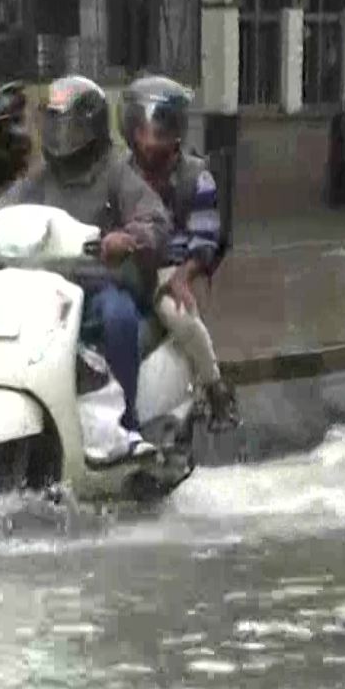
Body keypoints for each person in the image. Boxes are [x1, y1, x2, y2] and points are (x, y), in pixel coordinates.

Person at [0, 75, 171, 458]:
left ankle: (128, 426)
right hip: (48, 292)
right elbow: (3, 212)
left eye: (70, 125)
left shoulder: (116, 172)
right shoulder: (42, 178)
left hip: (100, 288)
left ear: (91, 126)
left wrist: (129, 238)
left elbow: (154, 219)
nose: (61, 135)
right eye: (54, 124)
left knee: (117, 316)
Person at [118, 75, 239, 430]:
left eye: (157, 131)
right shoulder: (120, 174)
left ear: (175, 132)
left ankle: (216, 387)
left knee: (179, 314)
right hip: (125, 266)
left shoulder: (196, 177)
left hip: (170, 268)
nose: (148, 140)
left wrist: (183, 277)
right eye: (141, 130)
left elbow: (205, 237)